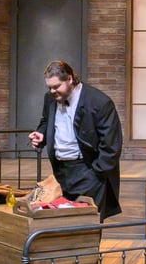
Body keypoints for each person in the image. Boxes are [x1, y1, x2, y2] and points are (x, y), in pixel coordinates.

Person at [28, 60, 123, 221]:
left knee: (86, 224)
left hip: (88, 171)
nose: (52, 91)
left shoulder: (99, 102)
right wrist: (41, 133)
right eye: (49, 87)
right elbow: (46, 121)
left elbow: (111, 146)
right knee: (61, 224)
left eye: (56, 86)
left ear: (70, 79)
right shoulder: (50, 98)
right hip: (60, 172)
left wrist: (96, 173)